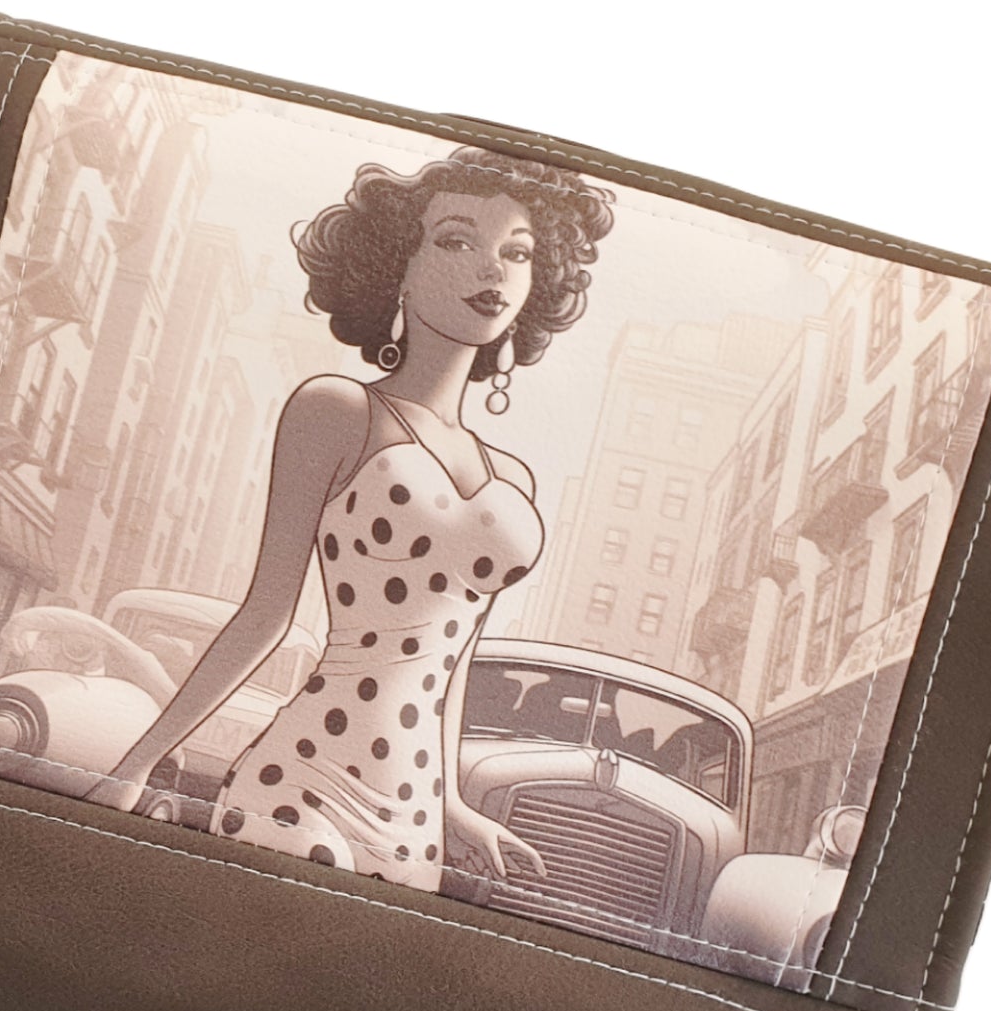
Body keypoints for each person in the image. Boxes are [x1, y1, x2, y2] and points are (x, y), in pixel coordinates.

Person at [88, 147, 613, 892]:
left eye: (517, 252)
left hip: (413, 815)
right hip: (301, 782)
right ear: (397, 268)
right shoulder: (336, 412)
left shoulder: (514, 479)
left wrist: (454, 807)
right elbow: (267, 614)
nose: (492, 270)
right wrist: (138, 764)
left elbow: (454, 656)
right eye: (456, 241)